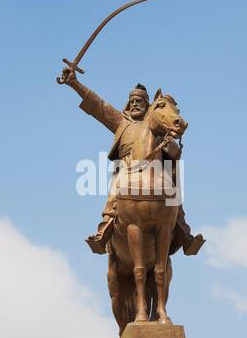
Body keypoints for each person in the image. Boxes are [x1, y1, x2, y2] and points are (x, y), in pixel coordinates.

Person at [61, 67, 205, 255]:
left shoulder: (156, 126)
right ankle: (103, 231)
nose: (135, 104)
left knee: (174, 195)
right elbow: (98, 106)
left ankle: (185, 235)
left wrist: (170, 144)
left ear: (147, 105)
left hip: (156, 173)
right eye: (132, 102)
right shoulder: (122, 122)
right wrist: (74, 83)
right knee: (114, 193)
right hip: (127, 171)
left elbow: (175, 153)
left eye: (139, 102)